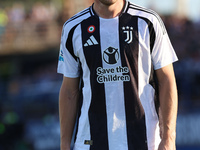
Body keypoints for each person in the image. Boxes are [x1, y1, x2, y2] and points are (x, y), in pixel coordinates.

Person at [57, 0, 178, 150]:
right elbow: (69, 90)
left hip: (144, 141)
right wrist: (64, 145)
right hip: (90, 142)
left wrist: (168, 138)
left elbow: (167, 80)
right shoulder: (73, 28)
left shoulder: (148, 21)